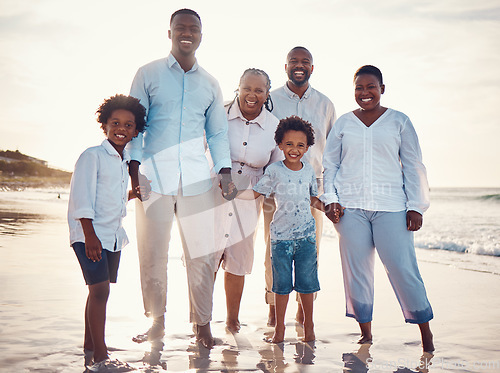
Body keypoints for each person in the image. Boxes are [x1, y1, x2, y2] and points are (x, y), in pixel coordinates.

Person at [127, 8, 234, 349]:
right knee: (153, 252)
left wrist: (225, 171)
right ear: (169, 32)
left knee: (201, 254)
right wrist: (134, 170)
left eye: (194, 28)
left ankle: (202, 324)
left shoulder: (210, 84)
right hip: (153, 180)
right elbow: (133, 125)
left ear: (201, 35)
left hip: (197, 180)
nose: (187, 33)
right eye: (181, 27)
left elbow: (217, 133)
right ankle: (157, 321)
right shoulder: (148, 74)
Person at [322, 65, 434, 352]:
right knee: (357, 270)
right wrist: (330, 199)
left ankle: (426, 334)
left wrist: (416, 206)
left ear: (382, 89)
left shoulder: (400, 121)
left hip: (392, 207)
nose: (365, 93)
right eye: (359, 88)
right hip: (350, 208)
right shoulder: (344, 124)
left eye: (371, 87)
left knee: (402, 267)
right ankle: (366, 333)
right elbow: (330, 165)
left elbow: (413, 164)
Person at [67, 94, 147, 370]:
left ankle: (90, 348)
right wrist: (89, 236)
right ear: (104, 124)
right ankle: (102, 356)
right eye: (115, 122)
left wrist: (132, 195)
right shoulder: (92, 155)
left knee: (98, 292)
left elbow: (108, 198)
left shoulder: (123, 162)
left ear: (136, 131)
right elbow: (82, 198)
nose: (121, 129)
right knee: (99, 291)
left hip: (113, 235)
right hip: (90, 235)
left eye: (128, 125)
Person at [265, 46, 337, 326]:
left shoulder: (325, 104)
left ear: (312, 68)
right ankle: (273, 307)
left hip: (312, 189)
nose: (299, 65)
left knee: (310, 250)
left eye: (305, 62)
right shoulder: (270, 100)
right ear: (285, 67)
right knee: (274, 250)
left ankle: (303, 311)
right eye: (293, 61)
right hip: (277, 189)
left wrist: (329, 194)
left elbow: (330, 153)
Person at [215, 68, 283, 332]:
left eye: (258, 90)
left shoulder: (274, 125)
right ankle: (202, 319)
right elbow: (204, 147)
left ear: (267, 94)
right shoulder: (219, 115)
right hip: (215, 186)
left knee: (238, 257)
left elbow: (276, 169)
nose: (251, 95)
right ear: (238, 88)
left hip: (250, 194)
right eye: (247, 88)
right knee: (208, 256)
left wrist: (258, 191)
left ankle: (232, 320)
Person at [253, 116, 324, 343]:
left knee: (307, 284)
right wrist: (232, 193)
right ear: (280, 145)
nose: (295, 149)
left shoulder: (309, 170)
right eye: (289, 144)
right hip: (280, 238)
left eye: (300, 145)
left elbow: (313, 198)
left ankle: (309, 326)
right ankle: (280, 329)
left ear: (307, 147)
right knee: (281, 287)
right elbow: (257, 192)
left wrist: (330, 209)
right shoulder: (274, 171)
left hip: (306, 237)